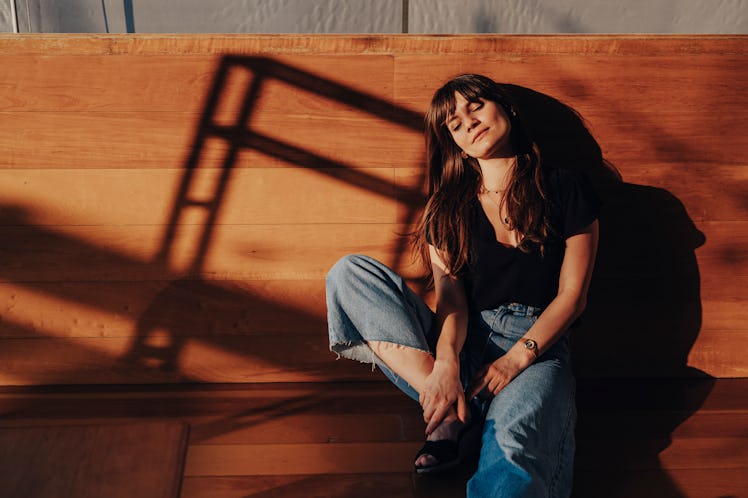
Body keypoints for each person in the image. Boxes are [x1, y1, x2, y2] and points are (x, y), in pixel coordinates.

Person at [325, 74, 599, 498]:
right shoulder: (447, 207)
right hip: (458, 341)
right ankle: (450, 407)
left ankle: (460, 418)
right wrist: (447, 366)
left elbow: (572, 297)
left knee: (514, 449)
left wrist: (512, 362)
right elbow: (451, 302)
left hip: (536, 350)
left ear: (505, 108)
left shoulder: (565, 187)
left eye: (475, 107)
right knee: (349, 273)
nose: (468, 123)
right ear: (454, 143)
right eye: (455, 123)